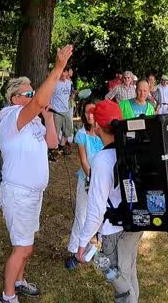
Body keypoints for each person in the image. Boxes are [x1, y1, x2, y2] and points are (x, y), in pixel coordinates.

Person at [0, 45, 72, 303]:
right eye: (27, 92)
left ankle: (19, 281)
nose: (32, 95)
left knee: (26, 243)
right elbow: (39, 99)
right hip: (18, 193)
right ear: (14, 98)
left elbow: (52, 143)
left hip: (33, 193)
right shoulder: (11, 116)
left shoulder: (34, 119)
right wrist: (59, 68)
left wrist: (47, 117)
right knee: (23, 247)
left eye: (32, 91)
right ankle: (7, 296)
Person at [76, 99, 144, 303]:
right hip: (134, 223)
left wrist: (82, 242)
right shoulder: (131, 149)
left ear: (97, 125)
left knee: (120, 283)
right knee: (129, 272)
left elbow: (96, 208)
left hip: (114, 231)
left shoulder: (101, 160)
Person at [65, 101, 104, 269]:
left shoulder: (104, 131)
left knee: (103, 214)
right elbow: (83, 160)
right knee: (82, 214)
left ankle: (102, 247)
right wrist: (91, 178)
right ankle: (75, 251)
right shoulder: (81, 134)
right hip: (87, 180)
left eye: (93, 111)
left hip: (104, 181)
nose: (90, 115)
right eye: (87, 112)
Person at [51, 67, 74, 153]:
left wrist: (72, 96)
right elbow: (49, 94)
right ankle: (53, 150)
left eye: (64, 72)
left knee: (67, 130)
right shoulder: (54, 83)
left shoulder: (69, 83)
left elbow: (70, 95)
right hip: (56, 111)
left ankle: (62, 146)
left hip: (66, 110)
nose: (62, 74)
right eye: (61, 72)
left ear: (67, 73)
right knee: (55, 131)